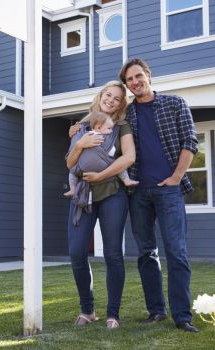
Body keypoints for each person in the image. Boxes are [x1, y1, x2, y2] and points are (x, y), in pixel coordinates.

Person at [119, 58, 199, 333]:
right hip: (138, 192)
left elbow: (190, 140)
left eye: (138, 76)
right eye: (130, 79)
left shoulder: (175, 103)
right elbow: (98, 123)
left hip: (170, 190)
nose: (135, 82)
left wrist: (176, 177)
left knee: (176, 252)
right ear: (127, 85)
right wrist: (75, 129)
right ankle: (156, 311)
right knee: (146, 253)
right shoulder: (125, 114)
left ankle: (182, 316)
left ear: (148, 75)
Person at [66, 80, 136, 329]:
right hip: (83, 195)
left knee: (113, 253)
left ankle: (112, 314)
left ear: (121, 104)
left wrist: (101, 176)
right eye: (108, 95)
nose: (111, 100)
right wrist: (82, 144)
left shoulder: (121, 127)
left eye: (117, 98)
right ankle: (87, 310)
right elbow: (70, 163)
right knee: (76, 252)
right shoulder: (81, 127)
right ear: (101, 95)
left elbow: (129, 157)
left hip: (111, 194)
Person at [64, 111, 138, 199]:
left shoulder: (85, 134)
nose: (111, 131)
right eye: (109, 128)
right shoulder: (104, 138)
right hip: (103, 164)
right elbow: (111, 151)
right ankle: (126, 180)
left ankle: (73, 189)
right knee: (119, 166)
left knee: (72, 172)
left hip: (84, 168)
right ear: (98, 127)